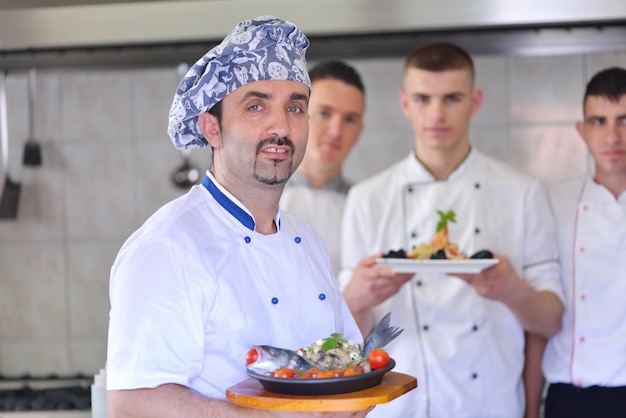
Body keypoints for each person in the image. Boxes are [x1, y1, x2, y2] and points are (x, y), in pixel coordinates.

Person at [106, 16, 367, 418]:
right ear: (211, 128)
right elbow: (132, 403)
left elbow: (344, 364)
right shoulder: (169, 246)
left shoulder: (306, 239)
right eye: (256, 106)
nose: (281, 127)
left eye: (295, 107)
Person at [337, 41, 565, 417]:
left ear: (475, 101)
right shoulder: (367, 198)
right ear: (404, 103)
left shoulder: (522, 193)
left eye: (452, 98)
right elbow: (350, 334)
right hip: (399, 404)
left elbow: (551, 320)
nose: (437, 114)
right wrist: (358, 298)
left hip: (490, 404)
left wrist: (513, 291)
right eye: (423, 99)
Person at [539, 67, 626, 418]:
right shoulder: (553, 204)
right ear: (582, 130)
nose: (612, 136)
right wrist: (531, 406)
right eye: (598, 122)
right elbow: (539, 323)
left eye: (623, 119)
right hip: (573, 399)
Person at [280, 60, 365, 278]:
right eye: (324, 113)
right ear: (296, 114)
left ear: (360, 131)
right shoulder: (256, 202)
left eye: (350, 119)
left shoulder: (368, 207)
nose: (336, 130)